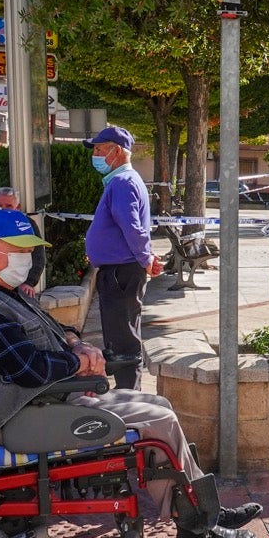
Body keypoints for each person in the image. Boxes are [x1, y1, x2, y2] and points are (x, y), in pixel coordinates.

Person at [0, 208, 260, 538]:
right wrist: (79, 362)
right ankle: (195, 532)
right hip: (25, 414)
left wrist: (72, 341)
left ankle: (205, 512)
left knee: (161, 407)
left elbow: (40, 333)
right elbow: (28, 369)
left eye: (27, 250)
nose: (26, 259)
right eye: (18, 250)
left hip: (40, 402)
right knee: (159, 425)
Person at [83, 126, 163, 390]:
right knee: (122, 335)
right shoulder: (123, 181)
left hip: (120, 272)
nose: (94, 155)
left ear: (116, 151)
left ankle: (129, 395)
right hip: (120, 270)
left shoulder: (122, 182)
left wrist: (145, 258)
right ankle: (129, 392)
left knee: (122, 340)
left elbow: (132, 226)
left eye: (98, 149)